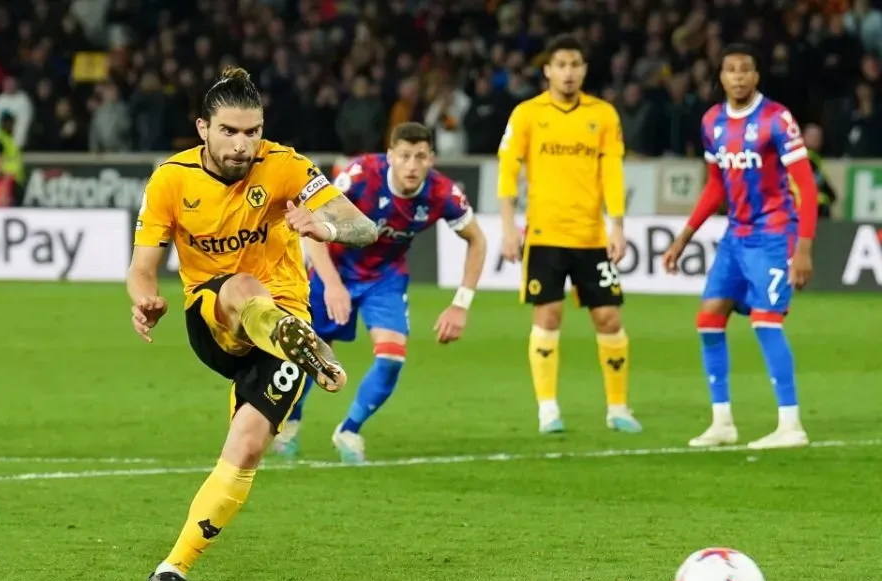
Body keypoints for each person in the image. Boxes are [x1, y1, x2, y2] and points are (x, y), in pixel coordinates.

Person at [126, 67, 378, 581]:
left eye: (252, 131)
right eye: (230, 132)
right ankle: (298, 342)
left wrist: (325, 228)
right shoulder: (171, 179)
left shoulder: (286, 166)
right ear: (203, 128)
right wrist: (144, 299)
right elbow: (142, 267)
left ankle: (171, 571)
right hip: (214, 317)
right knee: (242, 285)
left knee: (245, 449)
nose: (243, 145)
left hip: (287, 316)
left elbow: (364, 227)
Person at [274, 122, 487, 462]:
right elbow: (310, 227)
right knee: (309, 354)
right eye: (405, 156)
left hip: (384, 277)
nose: (412, 165)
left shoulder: (442, 193)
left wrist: (460, 304)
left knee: (391, 359)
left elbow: (477, 240)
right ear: (390, 156)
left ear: (431, 159)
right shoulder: (360, 175)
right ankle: (291, 422)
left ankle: (348, 431)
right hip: (337, 267)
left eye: (420, 157)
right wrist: (331, 284)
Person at [663, 44, 818, 450]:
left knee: (766, 321)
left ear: (756, 76)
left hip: (774, 233)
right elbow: (716, 185)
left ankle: (791, 425)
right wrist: (684, 237)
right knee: (709, 318)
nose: (738, 77)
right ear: (720, 76)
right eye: (730, 70)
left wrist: (803, 248)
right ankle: (723, 422)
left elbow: (806, 183)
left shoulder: (776, 119)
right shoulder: (712, 121)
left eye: (745, 70)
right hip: (736, 236)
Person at [496, 35, 641, 435]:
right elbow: (507, 168)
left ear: (584, 70)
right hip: (545, 233)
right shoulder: (527, 114)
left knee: (609, 318)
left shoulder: (604, 115)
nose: (568, 72)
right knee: (549, 314)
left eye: (575, 64)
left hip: (592, 236)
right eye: (561, 64)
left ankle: (618, 408)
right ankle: (548, 410)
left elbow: (612, 172)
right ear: (547, 70)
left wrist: (617, 224)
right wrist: (508, 224)